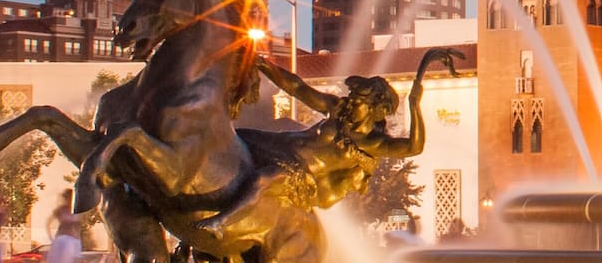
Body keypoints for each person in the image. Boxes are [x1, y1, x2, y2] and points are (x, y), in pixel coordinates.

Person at [195, 47, 462, 242]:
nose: (351, 102)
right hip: (278, 145)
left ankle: (222, 223)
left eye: (358, 101)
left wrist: (414, 106)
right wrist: (264, 64)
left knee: (266, 177)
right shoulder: (338, 109)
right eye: (353, 97)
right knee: (235, 138)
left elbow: (414, 147)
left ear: (376, 110)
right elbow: (298, 88)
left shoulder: (373, 143)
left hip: (301, 177)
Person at [44, 189, 83, 263]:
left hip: (72, 239)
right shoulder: (61, 210)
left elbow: (78, 227)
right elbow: (48, 222)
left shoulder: (77, 210)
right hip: (63, 239)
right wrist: (51, 238)